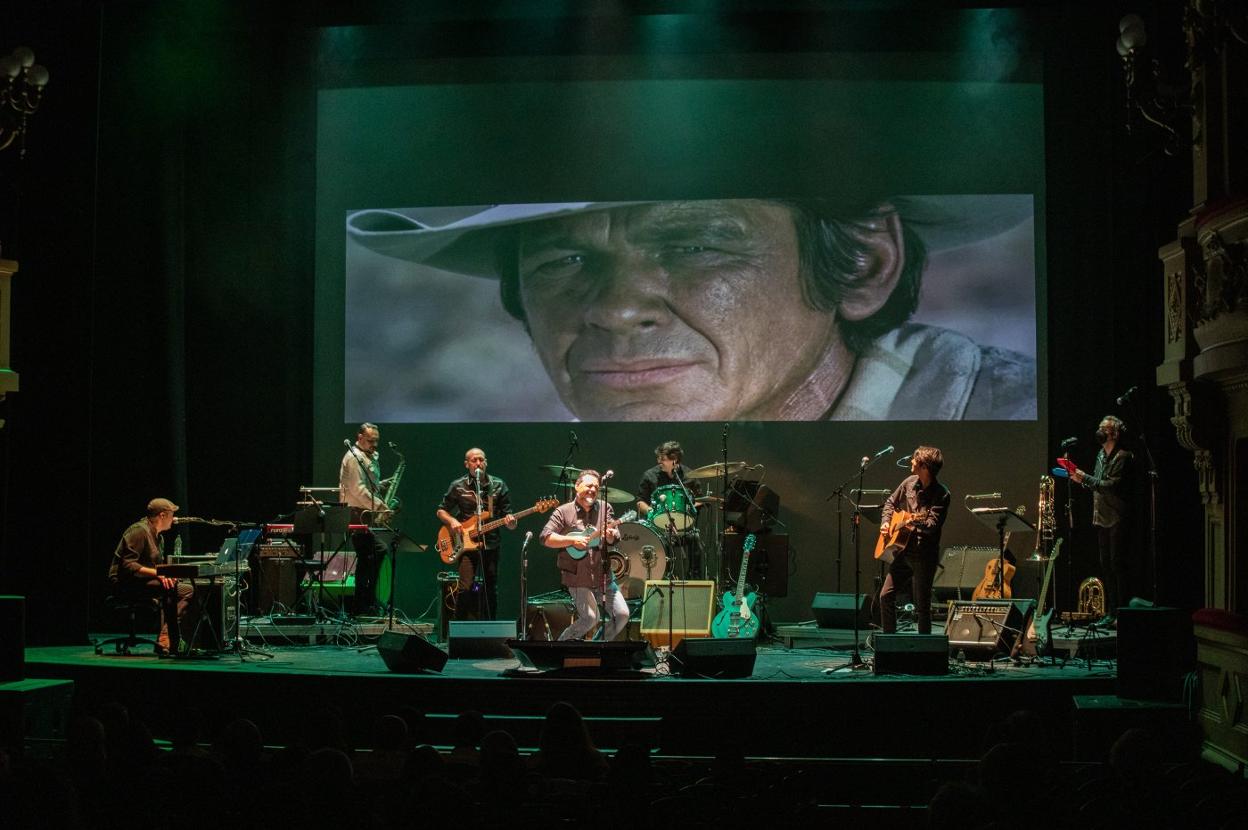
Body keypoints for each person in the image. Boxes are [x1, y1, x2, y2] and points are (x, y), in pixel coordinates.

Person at [347, 197, 1037, 421]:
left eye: (697, 245)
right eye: (561, 261)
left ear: (865, 264)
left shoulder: (1011, 406)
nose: (614, 311)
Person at [539, 469, 629, 641]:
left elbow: (614, 537)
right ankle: (561, 647)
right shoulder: (563, 511)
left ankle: (596, 647)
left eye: (596, 487)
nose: (592, 490)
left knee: (622, 615)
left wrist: (610, 535)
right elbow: (545, 537)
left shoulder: (605, 507)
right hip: (577, 577)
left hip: (603, 575)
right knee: (590, 618)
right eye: (588, 485)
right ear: (577, 486)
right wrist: (571, 541)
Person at [107, 497, 195, 656]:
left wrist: (168, 575)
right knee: (170, 588)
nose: (173, 518)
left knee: (186, 589)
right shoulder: (139, 531)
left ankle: (165, 637)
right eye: (171, 514)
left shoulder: (158, 537)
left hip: (142, 581)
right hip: (124, 583)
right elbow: (128, 566)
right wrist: (160, 574)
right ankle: (167, 641)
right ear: (162, 515)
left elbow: (155, 567)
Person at [436, 448, 516, 620]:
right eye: (474, 460)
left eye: (481, 460)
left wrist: (511, 523)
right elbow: (441, 510)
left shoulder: (499, 485)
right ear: (467, 464)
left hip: (491, 544)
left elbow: (507, 516)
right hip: (466, 544)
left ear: (486, 462)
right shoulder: (458, 485)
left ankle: (491, 631)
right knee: (465, 587)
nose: (478, 463)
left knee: (490, 589)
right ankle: (457, 632)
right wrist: (453, 521)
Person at [878, 446, 951, 635]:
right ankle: (890, 643)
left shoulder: (941, 494)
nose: (911, 462)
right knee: (886, 595)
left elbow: (932, 525)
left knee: (922, 607)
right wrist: (886, 523)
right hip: (903, 551)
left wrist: (911, 520)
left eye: (914, 459)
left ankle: (923, 652)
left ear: (924, 466)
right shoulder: (909, 482)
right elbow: (890, 503)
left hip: (924, 555)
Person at [1071, 415, 1133, 626]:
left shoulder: (1122, 456)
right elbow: (1097, 483)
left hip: (1116, 516)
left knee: (1117, 565)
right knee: (1105, 565)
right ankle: (1111, 613)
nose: (1100, 431)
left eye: (1104, 429)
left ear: (1113, 433)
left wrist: (1085, 478)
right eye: (1099, 427)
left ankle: (1121, 613)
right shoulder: (1100, 455)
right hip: (1101, 516)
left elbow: (1110, 485)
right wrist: (1081, 480)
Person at [339, 422, 389, 616]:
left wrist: (382, 485)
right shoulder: (353, 457)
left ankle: (366, 602)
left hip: (364, 512)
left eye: (376, 441)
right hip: (355, 513)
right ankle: (363, 602)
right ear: (359, 438)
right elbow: (358, 490)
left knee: (369, 557)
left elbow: (367, 484)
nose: (374, 445)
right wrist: (380, 506)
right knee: (375, 552)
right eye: (370, 441)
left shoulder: (369, 456)